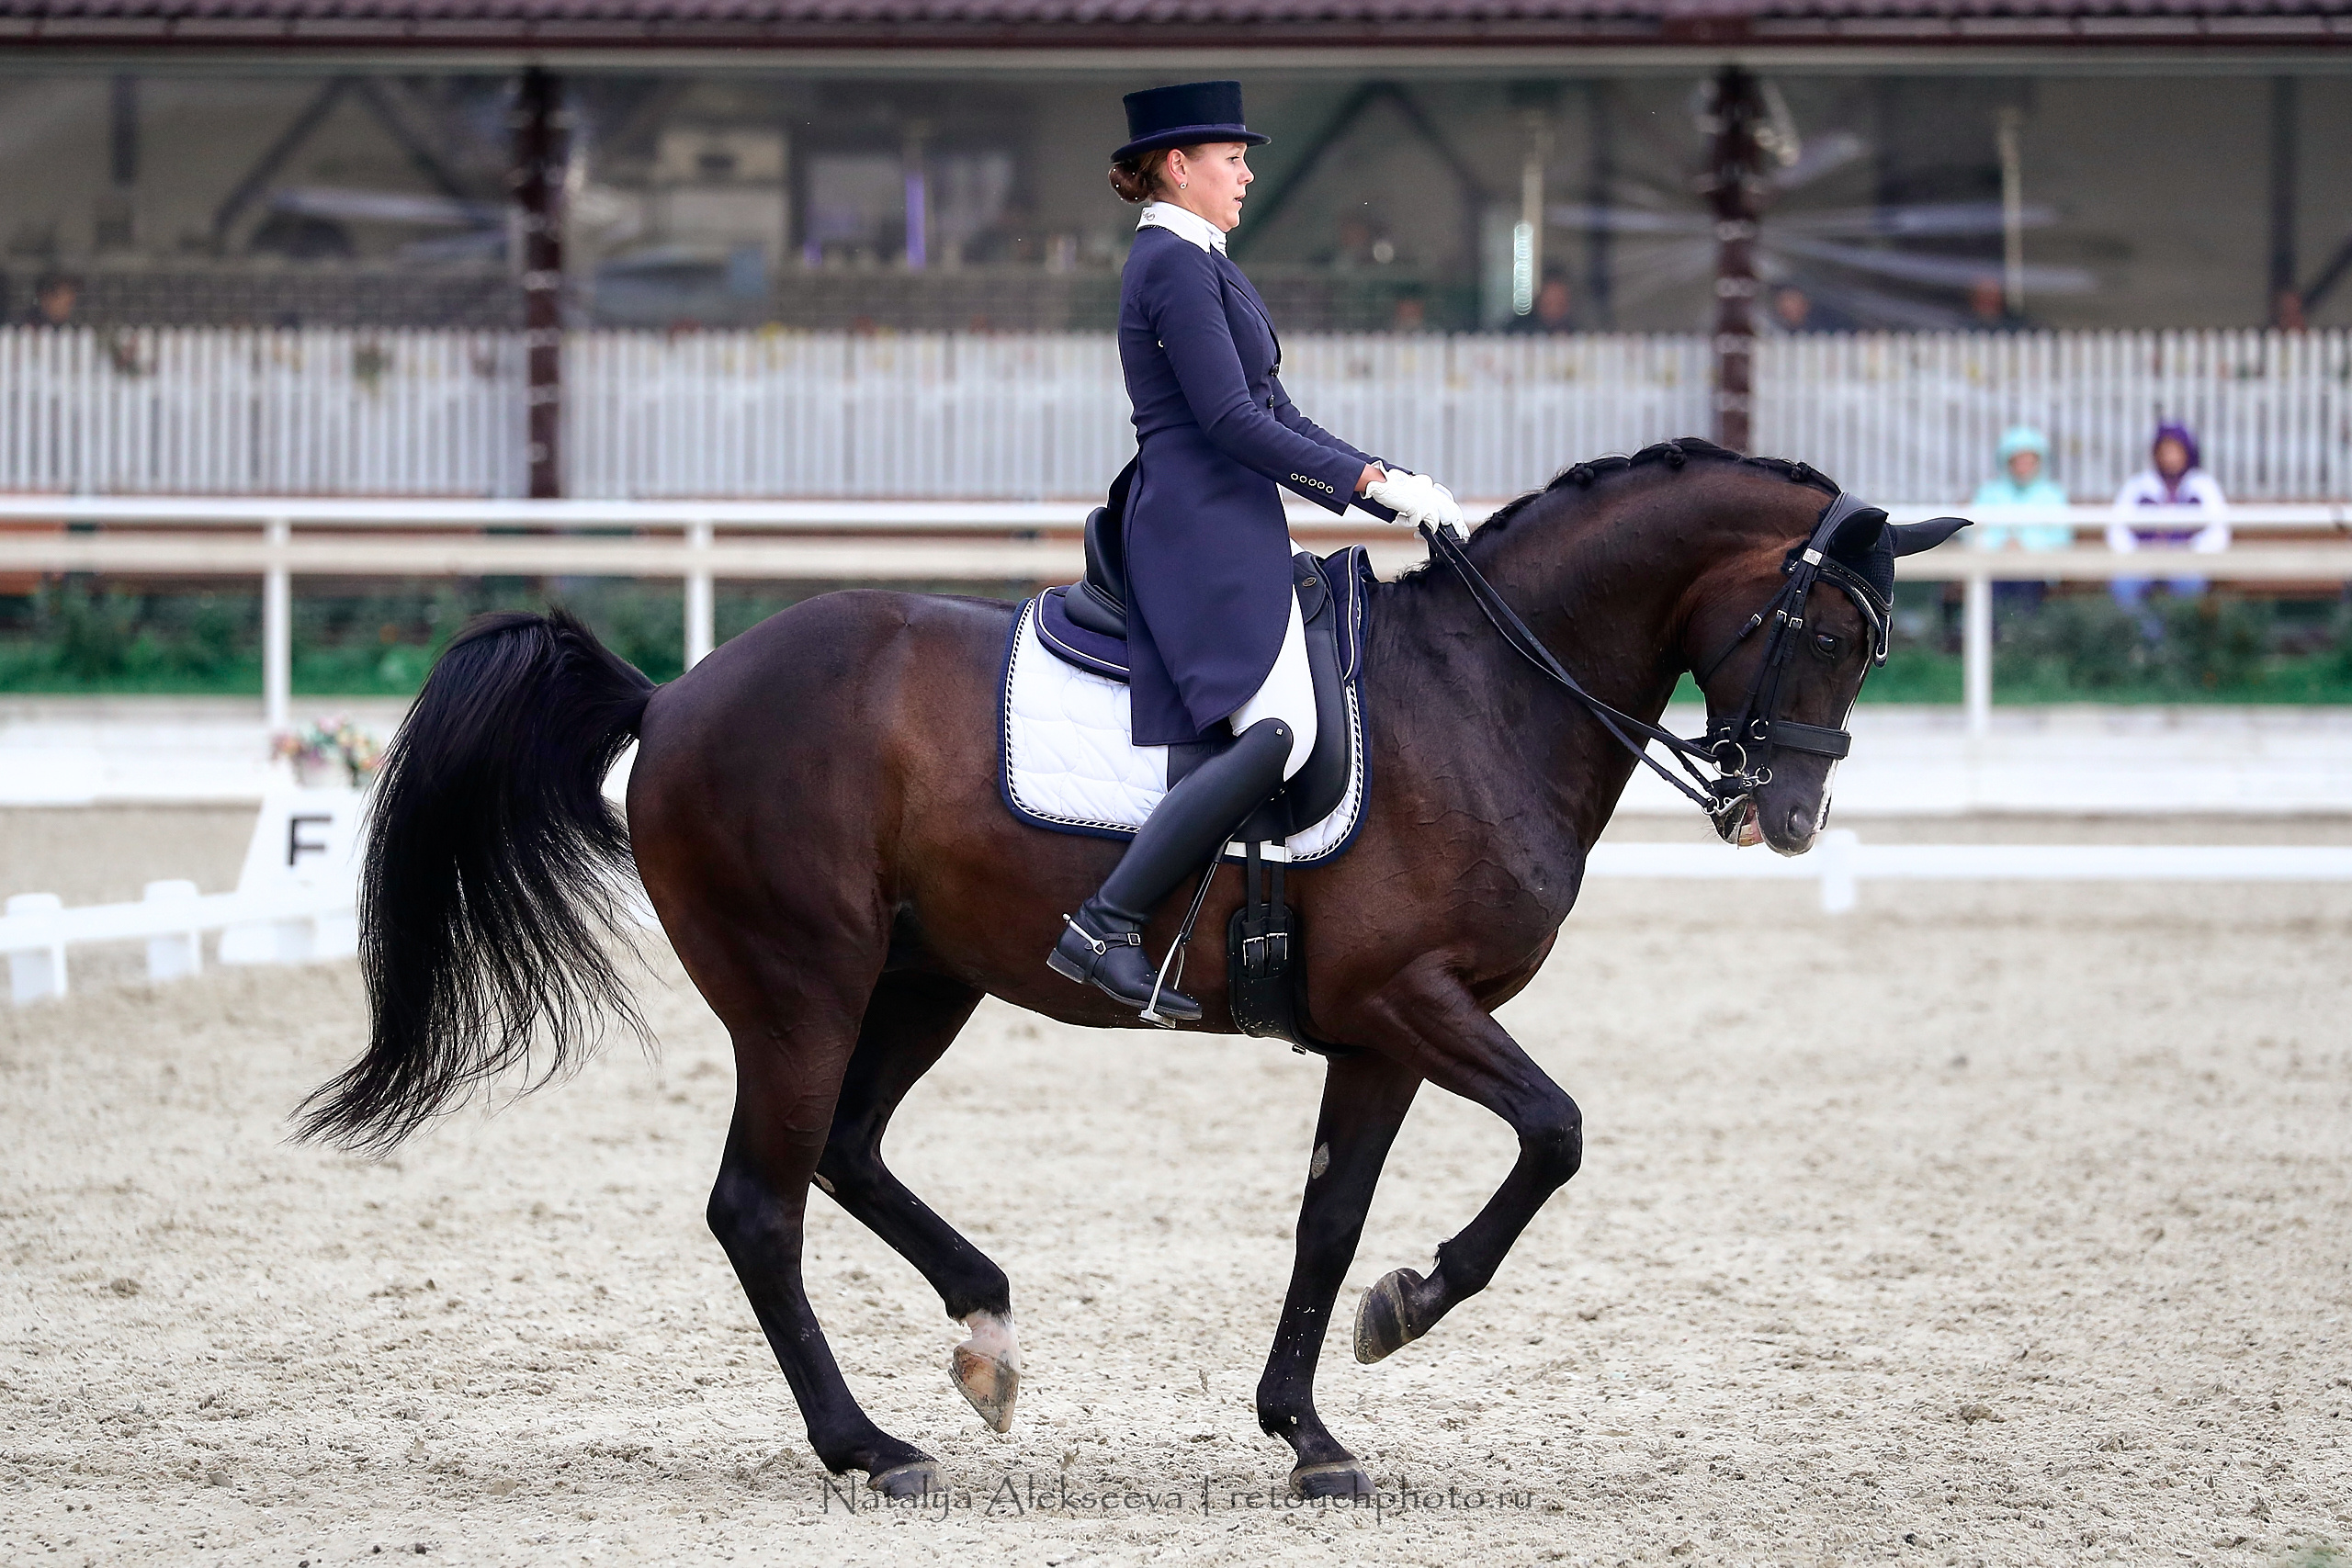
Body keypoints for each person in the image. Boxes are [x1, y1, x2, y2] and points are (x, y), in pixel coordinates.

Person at [1048, 80, 1462, 1019]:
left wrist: (1383, 476)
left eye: (1245, 160)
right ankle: (1105, 922)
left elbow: (1274, 410)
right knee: (1282, 731)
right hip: (1195, 529)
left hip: (1230, 521)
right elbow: (1230, 420)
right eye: (1231, 160)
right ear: (1177, 166)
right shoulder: (1171, 263)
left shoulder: (1209, 260)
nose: (1246, 174)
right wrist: (1361, 489)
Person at [2108, 420, 2227, 614]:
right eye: (2165, 451)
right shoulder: (2138, 486)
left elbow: (2218, 532)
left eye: (2175, 451)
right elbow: (2117, 529)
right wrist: (2136, 553)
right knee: (2124, 585)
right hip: (2142, 560)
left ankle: (2177, 639)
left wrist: (2190, 552)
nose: (2170, 458)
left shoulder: (2203, 486)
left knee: (2189, 585)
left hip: (2187, 561)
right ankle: (2149, 639)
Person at [1971, 425, 2072, 614]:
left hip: (2037, 569)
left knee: (2026, 582)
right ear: (2007, 461)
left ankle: (2024, 637)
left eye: (2029, 460)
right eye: (2018, 460)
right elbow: (1974, 533)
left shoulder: (2052, 495)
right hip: (1995, 567)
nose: (2023, 466)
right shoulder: (1989, 493)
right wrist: (2002, 545)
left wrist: (2025, 546)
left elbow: (2060, 537)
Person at [1509, 268, 1576, 333]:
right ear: (1539, 300)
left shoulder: (1574, 334)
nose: (1554, 309)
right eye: (1549, 303)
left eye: (1559, 304)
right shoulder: (1519, 330)